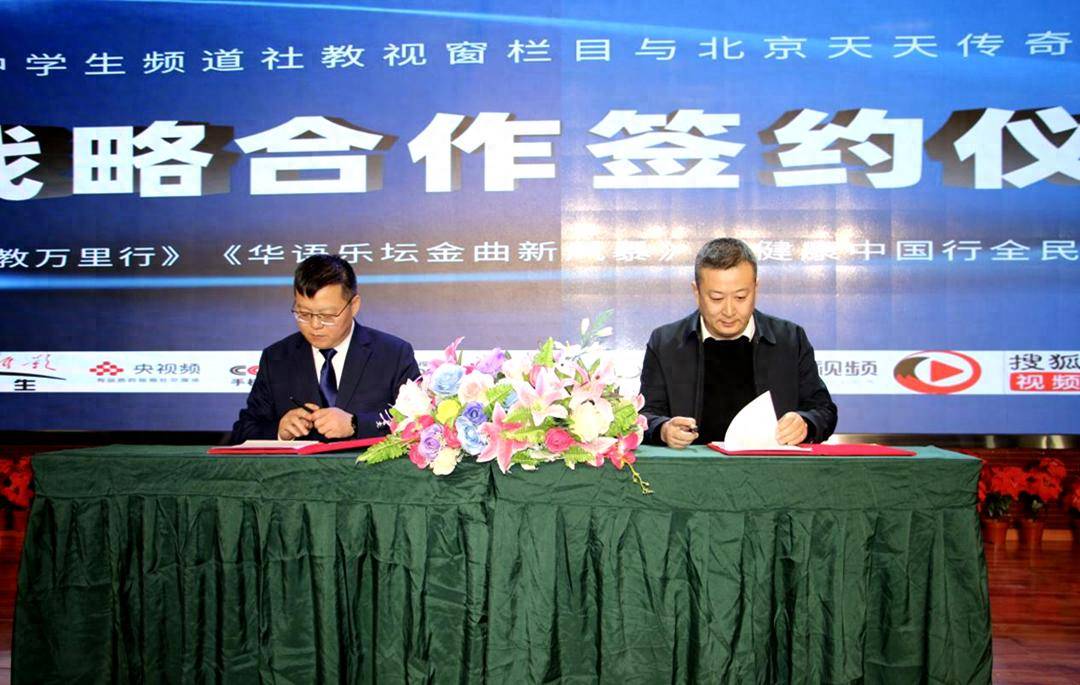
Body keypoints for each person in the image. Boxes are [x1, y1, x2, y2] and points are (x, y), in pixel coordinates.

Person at [640, 237, 837, 448]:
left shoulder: (790, 339)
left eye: (741, 297)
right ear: (696, 292)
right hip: (693, 466)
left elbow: (824, 410)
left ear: (755, 288)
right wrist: (663, 430)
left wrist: (805, 423)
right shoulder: (665, 343)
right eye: (717, 298)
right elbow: (646, 416)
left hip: (772, 466)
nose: (729, 311)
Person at [230, 254, 420, 443]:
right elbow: (243, 432)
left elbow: (418, 422)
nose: (315, 325)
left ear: (354, 305)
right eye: (304, 314)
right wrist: (279, 431)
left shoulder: (393, 354)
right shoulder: (276, 358)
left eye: (327, 316)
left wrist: (356, 424)